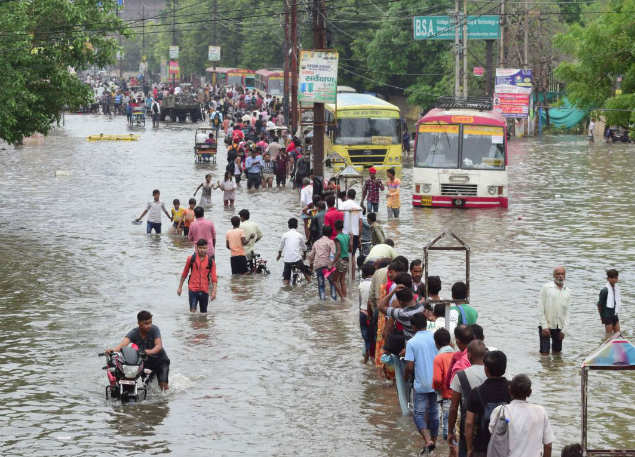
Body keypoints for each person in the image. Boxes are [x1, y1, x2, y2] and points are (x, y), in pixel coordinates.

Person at [489, 374, 554, 457]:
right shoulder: (540, 411)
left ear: (510, 390)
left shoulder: (501, 411)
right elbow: (548, 445)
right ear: (530, 393)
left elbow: (494, 435)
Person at [105, 310, 170, 391]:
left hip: (161, 362)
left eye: (150, 323)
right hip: (145, 363)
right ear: (139, 323)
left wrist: (147, 352)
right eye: (146, 323)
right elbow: (122, 345)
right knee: (146, 388)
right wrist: (112, 350)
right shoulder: (134, 333)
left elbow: (158, 346)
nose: (149, 325)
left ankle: (165, 402)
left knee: (163, 386)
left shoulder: (154, 330)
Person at [404, 313, 439, 455]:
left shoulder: (411, 342)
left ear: (413, 327)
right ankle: (434, 443)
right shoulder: (435, 338)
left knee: (418, 414)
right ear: (426, 323)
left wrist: (406, 377)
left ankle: (428, 440)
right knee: (434, 414)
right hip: (436, 383)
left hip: (421, 384)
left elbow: (410, 366)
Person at [465, 350, 511, 457]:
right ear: (504, 368)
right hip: (508, 445)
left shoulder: (476, 392)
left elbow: (469, 423)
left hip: (482, 447)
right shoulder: (513, 389)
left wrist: (469, 448)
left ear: (486, 369)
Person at [448, 339, 488, 457]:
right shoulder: (494, 373)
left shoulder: (461, 375)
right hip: (490, 425)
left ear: (469, 355)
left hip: (468, 427)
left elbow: (454, 407)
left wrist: (451, 431)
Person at [177, 239, 217, 312]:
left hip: (204, 290)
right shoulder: (191, 259)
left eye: (204, 248)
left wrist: (214, 292)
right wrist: (180, 287)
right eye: (200, 248)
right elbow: (184, 273)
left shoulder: (211, 261)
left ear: (207, 248)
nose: (202, 250)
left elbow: (214, 278)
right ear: (197, 248)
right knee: (192, 311)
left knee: (204, 313)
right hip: (193, 289)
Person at [538, 266, 570, 355]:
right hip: (546, 325)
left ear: (565, 276)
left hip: (559, 327)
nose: (560, 276)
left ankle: (556, 368)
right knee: (544, 354)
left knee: (557, 353)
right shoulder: (546, 288)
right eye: (558, 274)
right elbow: (540, 308)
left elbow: (567, 312)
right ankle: (545, 369)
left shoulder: (567, 291)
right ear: (553, 275)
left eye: (562, 274)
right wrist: (544, 326)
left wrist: (564, 330)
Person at [432, 327, 455, 441]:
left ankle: (449, 449)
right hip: (458, 395)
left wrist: (438, 389)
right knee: (454, 426)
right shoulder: (457, 355)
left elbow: (436, 380)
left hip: (446, 395)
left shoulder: (439, 358)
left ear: (436, 343)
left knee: (447, 428)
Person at [277, 217, 311, 285]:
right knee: (305, 272)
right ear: (297, 226)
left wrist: (279, 255)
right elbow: (304, 248)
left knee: (286, 279)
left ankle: (286, 287)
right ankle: (309, 283)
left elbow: (281, 247)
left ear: (288, 225)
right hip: (297, 260)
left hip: (287, 260)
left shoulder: (285, 235)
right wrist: (304, 256)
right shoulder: (299, 235)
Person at [308, 225, 337, 301]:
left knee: (321, 285)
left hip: (318, 266)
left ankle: (323, 300)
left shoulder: (316, 242)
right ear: (330, 234)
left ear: (322, 232)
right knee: (332, 283)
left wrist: (310, 264)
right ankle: (334, 299)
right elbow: (335, 253)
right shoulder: (330, 242)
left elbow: (311, 255)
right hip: (327, 266)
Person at [340, 188, 363, 277]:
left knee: (343, 256)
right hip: (355, 234)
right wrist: (360, 237)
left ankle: (343, 277)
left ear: (347, 196)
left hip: (344, 233)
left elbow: (340, 218)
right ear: (354, 196)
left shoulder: (342, 205)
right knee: (352, 256)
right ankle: (352, 277)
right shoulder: (358, 207)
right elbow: (360, 223)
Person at [358, 262, 376, 362]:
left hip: (362, 312)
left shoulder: (361, 284)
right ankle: (371, 356)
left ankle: (366, 356)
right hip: (372, 313)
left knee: (365, 336)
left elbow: (360, 301)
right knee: (373, 336)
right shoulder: (375, 284)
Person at [597, 268, 621, 337]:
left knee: (618, 334)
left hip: (614, 313)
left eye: (615, 277)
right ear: (608, 279)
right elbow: (599, 304)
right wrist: (602, 317)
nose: (614, 279)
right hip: (607, 315)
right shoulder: (605, 290)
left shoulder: (617, 289)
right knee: (609, 336)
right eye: (612, 277)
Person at [332, 219, 351, 299]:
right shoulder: (347, 236)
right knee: (342, 280)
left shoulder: (337, 238)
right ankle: (345, 297)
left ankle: (342, 298)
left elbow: (338, 252)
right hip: (347, 260)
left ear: (335, 228)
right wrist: (352, 239)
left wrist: (332, 262)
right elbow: (350, 249)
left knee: (334, 280)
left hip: (340, 260)